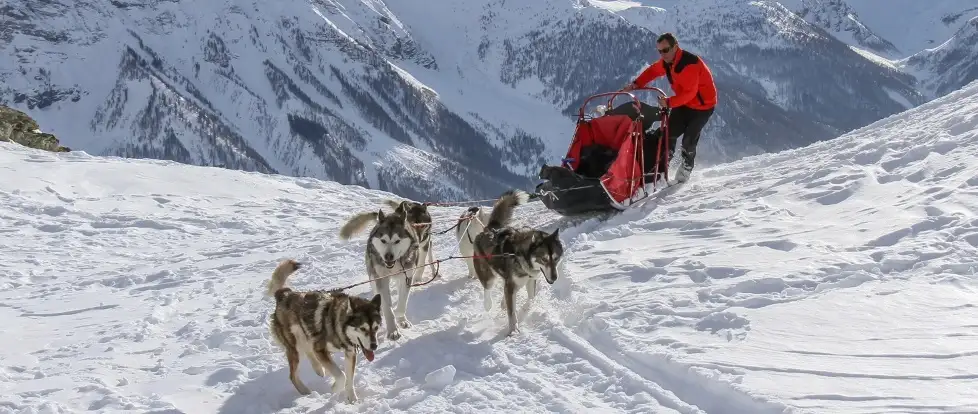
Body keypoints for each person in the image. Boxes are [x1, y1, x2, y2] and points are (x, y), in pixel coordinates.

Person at [622, 32, 717, 183]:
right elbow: (653, 71)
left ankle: (686, 166)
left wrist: (669, 102)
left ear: (675, 47)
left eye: (665, 50)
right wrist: (636, 84)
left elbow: (690, 93)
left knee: (689, 139)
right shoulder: (668, 63)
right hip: (683, 103)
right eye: (659, 51)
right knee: (668, 133)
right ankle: (661, 164)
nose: (662, 54)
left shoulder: (689, 64)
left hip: (702, 107)